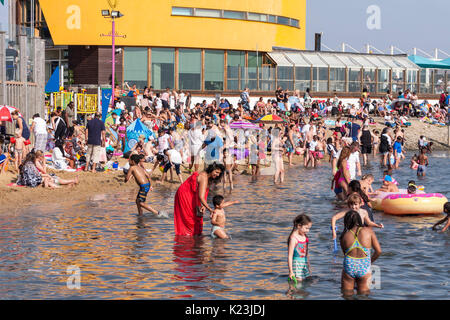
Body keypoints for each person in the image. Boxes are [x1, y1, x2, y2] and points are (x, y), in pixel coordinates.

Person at [173, 162, 225, 236]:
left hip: (193, 194)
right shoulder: (204, 177)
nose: (217, 175)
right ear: (212, 169)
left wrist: (204, 205)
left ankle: (195, 236)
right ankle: (187, 235)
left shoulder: (209, 178)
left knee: (198, 214)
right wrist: (209, 209)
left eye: (219, 173)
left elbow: (204, 193)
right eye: (216, 172)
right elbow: (201, 196)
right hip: (184, 194)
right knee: (189, 216)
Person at [340, 210, 382, 297]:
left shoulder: (344, 235)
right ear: (359, 220)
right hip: (364, 266)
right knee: (363, 296)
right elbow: (378, 251)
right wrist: (370, 262)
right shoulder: (369, 231)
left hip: (349, 266)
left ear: (346, 221)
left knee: (347, 296)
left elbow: (345, 255)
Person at [287, 214, 312, 283]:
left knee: (308, 281)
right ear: (299, 226)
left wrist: (308, 265)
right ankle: (291, 293)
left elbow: (306, 252)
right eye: (306, 228)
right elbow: (290, 256)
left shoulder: (305, 237)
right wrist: (291, 271)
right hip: (296, 264)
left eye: (309, 228)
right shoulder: (293, 238)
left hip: (304, 263)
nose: (308, 231)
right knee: (298, 283)